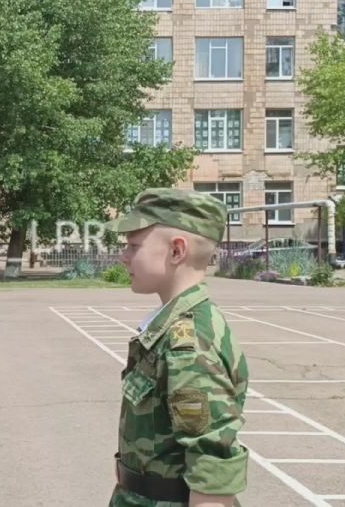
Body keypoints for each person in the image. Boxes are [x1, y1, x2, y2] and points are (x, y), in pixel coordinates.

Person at [106, 188, 249, 507]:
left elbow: (211, 473)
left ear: (176, 251)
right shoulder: (173, 327)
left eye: (134, 245)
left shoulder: (187, 343)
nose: (124, 256)